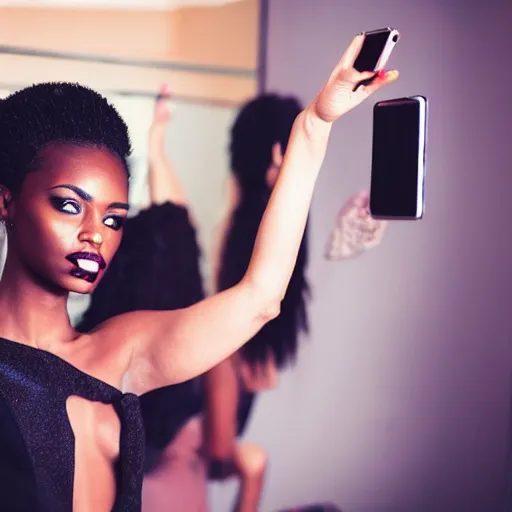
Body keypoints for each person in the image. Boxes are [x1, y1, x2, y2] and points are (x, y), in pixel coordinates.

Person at [0, 34, 398, 510]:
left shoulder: (119, 351)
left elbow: (262, 298)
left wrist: (314, 126)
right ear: (7, 201)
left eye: (114, 218)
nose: (96, 235)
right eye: (70, 206)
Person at [77, 84, 209, 511]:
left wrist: (156, 146)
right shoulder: (193, 344)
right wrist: (156, 149)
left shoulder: (93, 348)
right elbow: (175, 228)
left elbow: (173, 228)